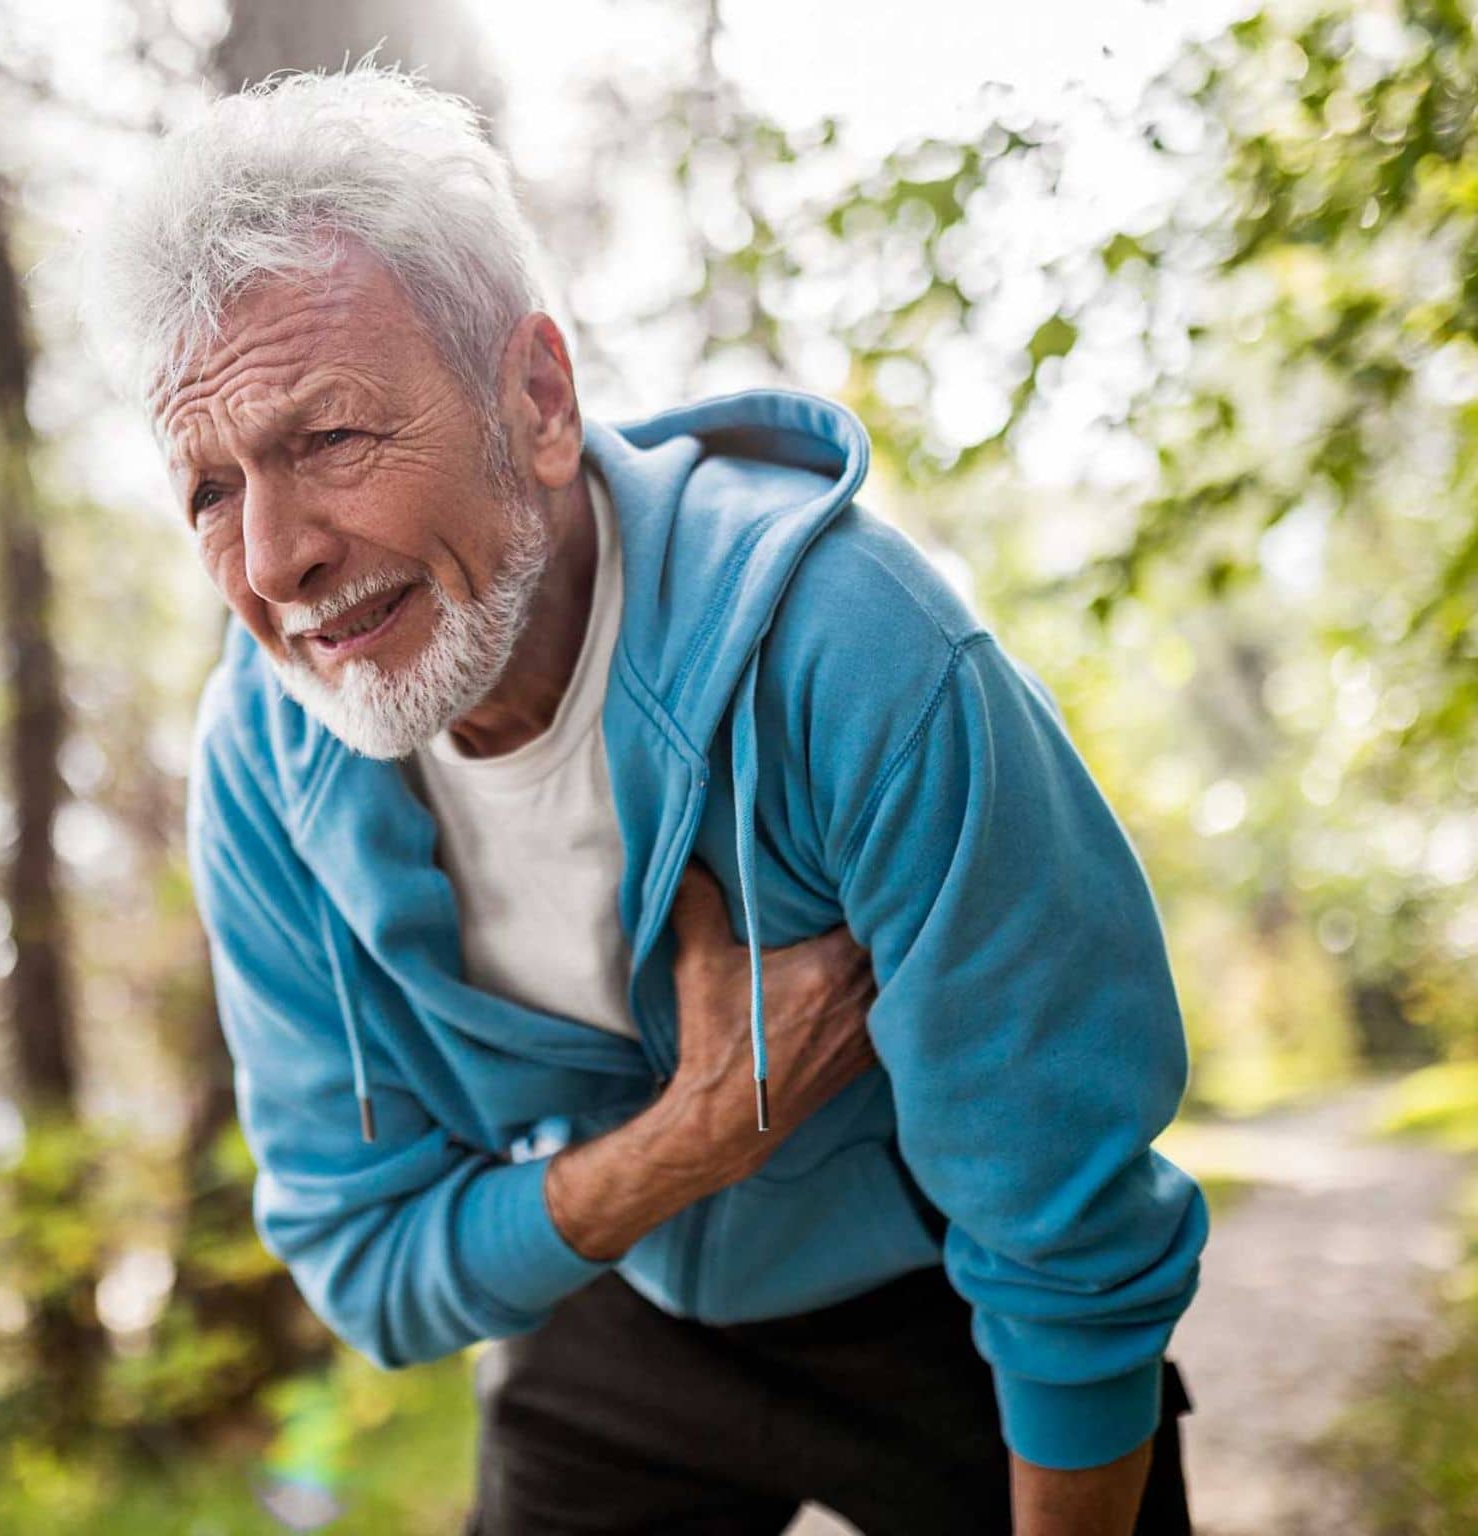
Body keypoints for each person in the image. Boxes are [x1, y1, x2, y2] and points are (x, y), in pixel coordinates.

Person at [78, 63, 1207, 1536]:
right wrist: (693, 1139)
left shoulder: (851, 647)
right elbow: (368, 1266)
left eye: (329, 437)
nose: (276, 557)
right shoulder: (259, 762)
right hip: (619, 1289)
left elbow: (1062, 1221)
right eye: (211, 489)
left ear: (537, 400)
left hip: (947, 1297)